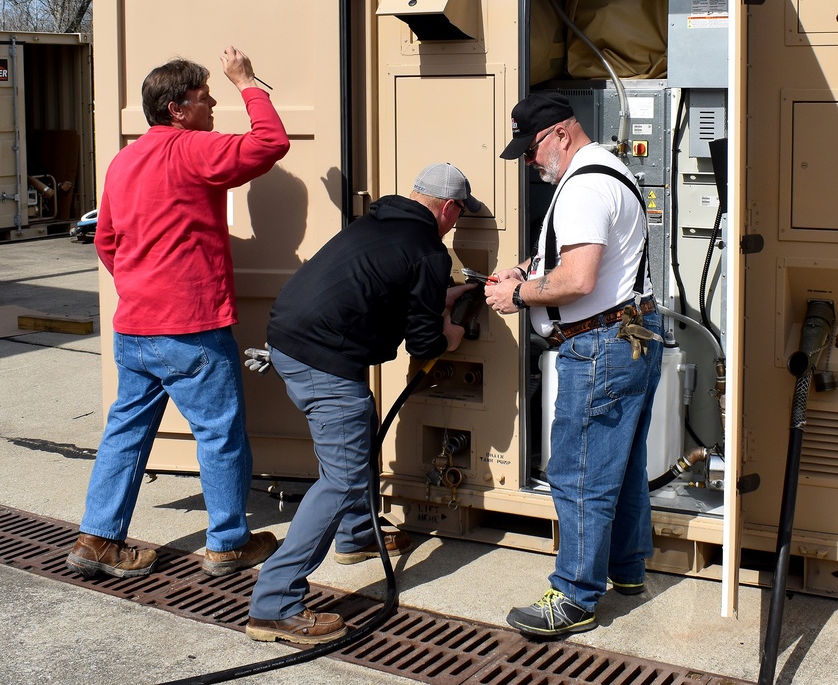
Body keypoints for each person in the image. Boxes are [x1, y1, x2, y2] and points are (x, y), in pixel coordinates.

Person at [67, 47, 289, 580]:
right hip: (190, 327)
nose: (212, 103)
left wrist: (141, 286)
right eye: (203, 97)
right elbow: (270, 143)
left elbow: (107, 240)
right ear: (175, 109)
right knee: (219, 432)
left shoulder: (124, 160)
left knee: (126, 429)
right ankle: (229, 543)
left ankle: (98, 539)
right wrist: (248, 82)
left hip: (136, 326)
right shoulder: (192, 150)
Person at [245, 163, 480, 645]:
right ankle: (275, 604)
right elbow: (423, 341)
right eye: (459, 215)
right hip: (324, 363)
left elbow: (381, 287)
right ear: (449, 208)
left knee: (361, 423)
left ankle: (357, 534)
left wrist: (441, 292)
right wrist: (449, 334)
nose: (456, 223)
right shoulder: (427, 250)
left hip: (289, 341)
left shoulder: (371, 225)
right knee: (342, 477)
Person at [485, 92, 664, 637]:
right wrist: (523, 270)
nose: (528, 161)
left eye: (531, 149)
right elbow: (574, 260)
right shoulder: (606, 169)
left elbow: (579, 279)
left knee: (579, 470)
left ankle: (574, 598)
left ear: (561, 132)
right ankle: (626, 569)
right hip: (630, 335)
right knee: (624, 461)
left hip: (602, 344)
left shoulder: (583, 186)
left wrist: (518, 297)